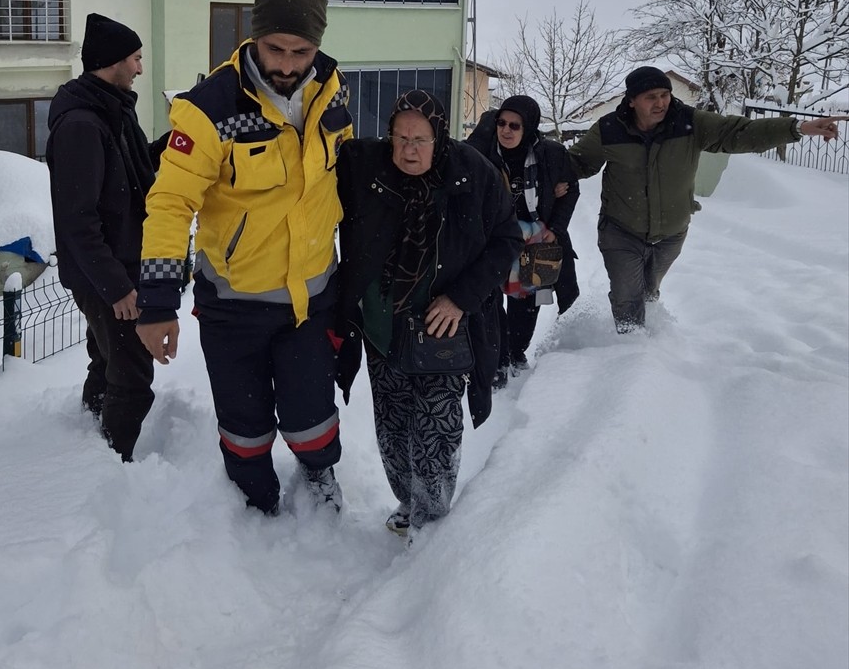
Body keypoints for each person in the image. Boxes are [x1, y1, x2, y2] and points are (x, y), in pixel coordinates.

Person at [136, 0, 353, 516]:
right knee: (245, 424)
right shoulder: (209, 108)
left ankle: (319, 471)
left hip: (313, 296)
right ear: (254, 38)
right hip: (235, 306)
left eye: (300, 51)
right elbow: (169, 203)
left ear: (317, 47)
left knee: (312, 416)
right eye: (274, 48)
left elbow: (340, 175)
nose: (286, 63)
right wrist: (157, 304)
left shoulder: (331, 91)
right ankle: (256, 502)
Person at [334, 90, 522, 539]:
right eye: (400, 138)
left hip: (444, 331)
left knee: (436, 430)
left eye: (420, 139)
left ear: (439, 137)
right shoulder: (364, 166)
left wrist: (461, 298)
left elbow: (506, 240)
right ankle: (407, 500)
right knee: (393, 429)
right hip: (383, 330)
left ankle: (432, 523)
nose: (409, 150)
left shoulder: (473, 174)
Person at [568, 65, 842, 333]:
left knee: (649, 292)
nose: (661, 103)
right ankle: (630, 351)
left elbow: (739, 132)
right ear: (631, 101)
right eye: (651, 97)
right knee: (627, 294)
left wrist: (798, 128)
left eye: (665, 95)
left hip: (671, 233)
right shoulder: (608, 130)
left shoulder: (689, 123)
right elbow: (577, 163)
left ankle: (649, 338)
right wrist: (546, 171)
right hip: (620, 230)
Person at [46, 12, 160, 462]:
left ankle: (89, 436)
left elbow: (132, 176)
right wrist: (117, 287)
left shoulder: (112, 109)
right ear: (113, 61)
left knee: (108, 357)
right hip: (107, 274)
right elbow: (78, 219)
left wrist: (173, 144)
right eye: (135, 58)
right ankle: (113, 461)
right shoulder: (81, 126)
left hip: (119, 265)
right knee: (132, 373)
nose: (139, 68)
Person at [467, 95, 580, 387]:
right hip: (494, 241)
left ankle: (517, 352)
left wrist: (556, 227)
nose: (506, 130)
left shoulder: (551, 154)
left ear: (527, 128)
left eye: (514, 125)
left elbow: (572, 189)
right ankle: (498, 361)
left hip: (536, 242)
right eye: (501, 123)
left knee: (526, 304)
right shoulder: (484, 153)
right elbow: (463, 162)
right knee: (491, 303)